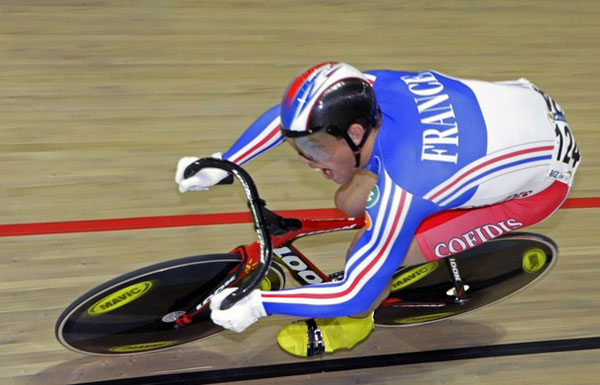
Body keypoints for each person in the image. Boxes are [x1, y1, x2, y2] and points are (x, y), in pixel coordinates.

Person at [175, 62, 581, 357]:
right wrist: (226, 162)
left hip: (538, 187)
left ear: (354, 132)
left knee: (367, 257)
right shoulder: (374, 89)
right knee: (347, 200)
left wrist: (259, 305)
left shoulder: (408, 185)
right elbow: (298, 118)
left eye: (315, 148)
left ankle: (354, 329)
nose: (304, 159)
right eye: (303, 148)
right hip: (527, 107)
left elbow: (355, 293)